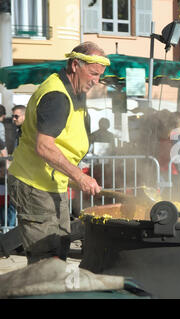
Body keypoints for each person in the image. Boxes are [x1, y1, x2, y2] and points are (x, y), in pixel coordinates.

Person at [7, 41, 108, 264]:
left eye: (99, 75)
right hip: (34, 184)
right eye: (92, 73)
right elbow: (44, 146)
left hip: (51, 182)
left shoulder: (75, 90)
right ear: (74, 65)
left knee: (60, 243)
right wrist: (79, 176)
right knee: (46, 258)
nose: (96, 81)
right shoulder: (56, 97)